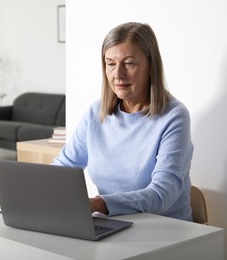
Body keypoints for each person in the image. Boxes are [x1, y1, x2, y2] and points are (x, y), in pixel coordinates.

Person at [53, 22, 194, 221]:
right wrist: (34, 189)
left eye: (129, 63)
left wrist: (100, 204)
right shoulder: (97, 112)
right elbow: (64, 166)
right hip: (114, 223)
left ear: (151, 66)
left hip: (165, 230)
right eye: (110, 63)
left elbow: (162, 194)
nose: (118, 74)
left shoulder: (174, 117)